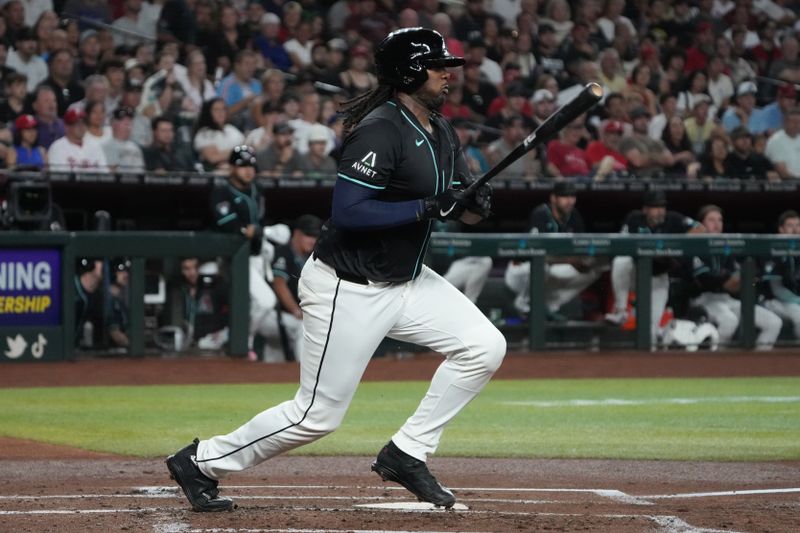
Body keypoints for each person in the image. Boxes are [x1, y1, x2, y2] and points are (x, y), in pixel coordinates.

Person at [166, 27, 501, 513]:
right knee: (316, 416)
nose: (447, 73)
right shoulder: (381, 129)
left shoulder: (440, 129)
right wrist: (431, 206)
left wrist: (474, 205)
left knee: (485, 346)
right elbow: (349, 212)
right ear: (410, 72)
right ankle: (200, 462)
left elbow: (456, 203)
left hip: (406, 280)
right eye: (436, 65)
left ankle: (407, 452)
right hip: (350, 286)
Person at [605, 190, 704, 346]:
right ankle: (621, 310)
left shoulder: (674, 219)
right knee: (620, 261)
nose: (660, 211)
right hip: (635, 274)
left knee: (649, 333)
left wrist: (674, 247)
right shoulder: (634, 219)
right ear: (645, 209)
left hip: (658, 279)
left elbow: (700, 229)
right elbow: (620, 245)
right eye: (655, 207)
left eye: (662, 207)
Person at [505, 181, 607, 320]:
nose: (569, 201)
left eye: (572, 197)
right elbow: (533, 254)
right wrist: (569, 260)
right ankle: (523, 304)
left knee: (594, 270)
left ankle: (550, 306)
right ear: (553, 198)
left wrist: (587, 261)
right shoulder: (540, 214)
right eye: (565, 197)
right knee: (541, 266)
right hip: (521, 273)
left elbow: (581, 249)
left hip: (549, 273)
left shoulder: (574, 216)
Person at [686, 205, 782, 350]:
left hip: (727, 299)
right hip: (703, 299)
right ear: (701, 224)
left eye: (720, 220)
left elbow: (747, 280)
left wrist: (740, 281)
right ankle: (710, 364)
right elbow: (707, 281)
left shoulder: (729, 247)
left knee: (773, 322)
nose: (717, 224)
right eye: (711, 220)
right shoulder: (695, 247)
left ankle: (757, 364)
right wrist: (730, 282)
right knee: (729, 321)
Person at [268, 214, 323, 362]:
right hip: (272, 315)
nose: (312, 240)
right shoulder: (283, 252)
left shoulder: (314, 257)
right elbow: (279, 284)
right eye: (308, 235)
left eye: (315, 236)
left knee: (274, 363)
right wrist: (295, 310)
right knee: (303, 326)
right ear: (297, 233)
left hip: (290, 319)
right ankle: (303, 372)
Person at [762, 210, 800, 339]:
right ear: (781, 229)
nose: (795, 230)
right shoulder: (774, 251)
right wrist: (798, 300)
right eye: (790, 226)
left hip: (794, 301)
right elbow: (776, 289)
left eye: (798, 225)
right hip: (773, 300)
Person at [47, 108, 109, 172]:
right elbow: (56, 177)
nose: (81, 126)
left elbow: (105, 174)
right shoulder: (57, 147)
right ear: (67, 127)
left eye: (83, 123)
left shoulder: (95, 146)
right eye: (77, 124)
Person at [102, 106, 145, 173]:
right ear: (113, 123)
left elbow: (141, 172)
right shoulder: (106, 147)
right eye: (124, 122)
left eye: (130, 122)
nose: (128, 126)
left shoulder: (135, 148)